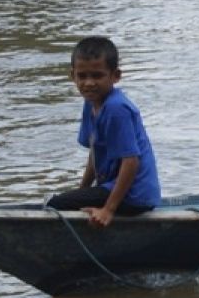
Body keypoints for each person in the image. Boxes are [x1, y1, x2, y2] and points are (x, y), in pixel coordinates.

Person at [47, 36, 161, 227]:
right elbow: (95, 152)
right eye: (82, 76)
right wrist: (82, 192)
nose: (89, 83)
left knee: (55, 205)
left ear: (115, 76)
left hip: (135, 195)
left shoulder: (116, 109)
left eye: (97, 76)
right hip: (116, 189)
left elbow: (131, 162)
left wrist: (108, 210)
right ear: (72, 76)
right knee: (65, 203)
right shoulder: (91, 102)